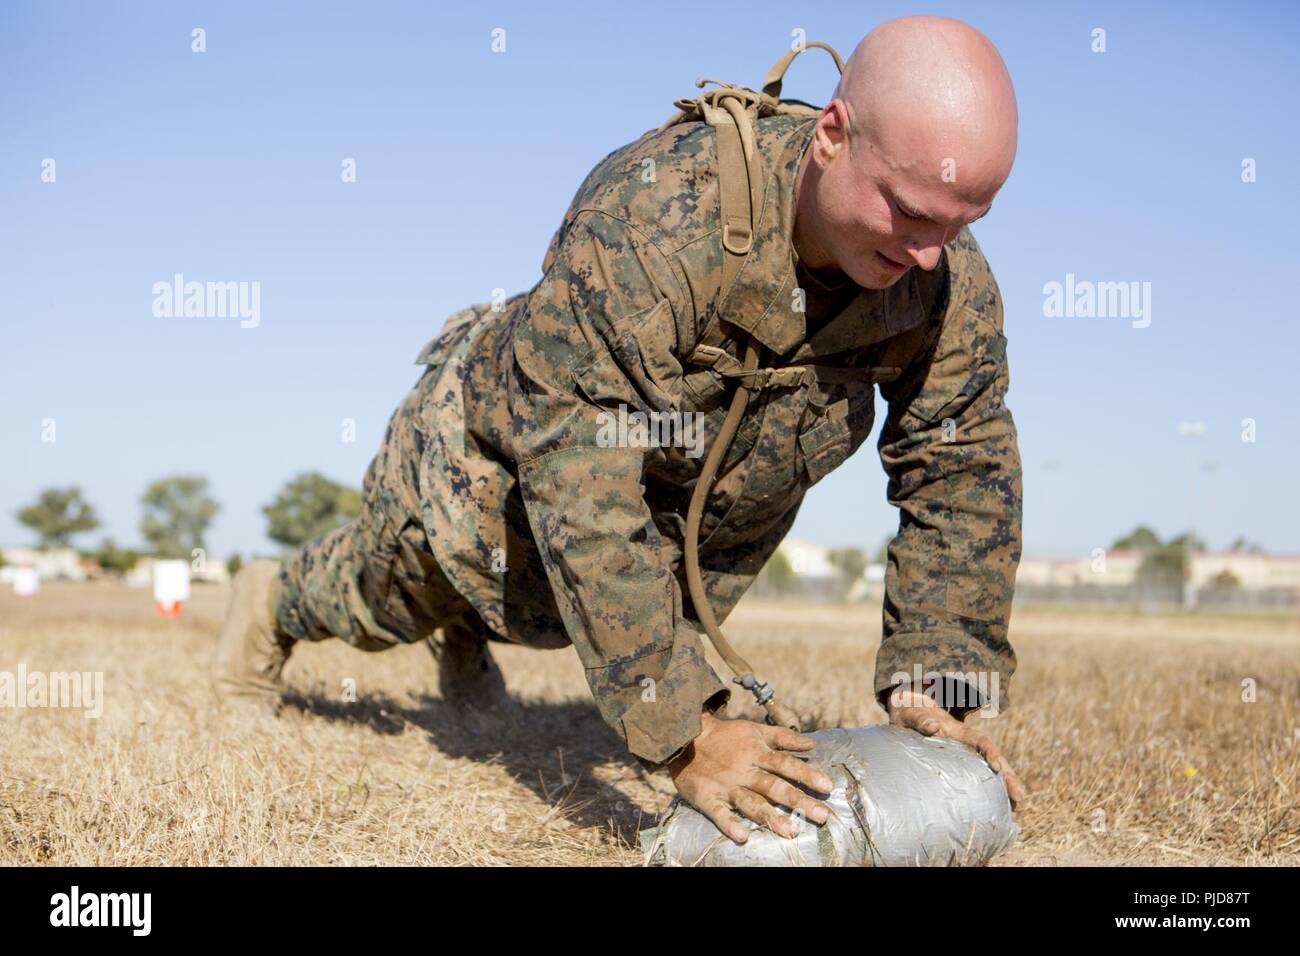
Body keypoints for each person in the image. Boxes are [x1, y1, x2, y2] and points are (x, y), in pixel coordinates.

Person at [214, 14, 1027, 846]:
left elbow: (960, 466)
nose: (930, 254)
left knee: (553, 613)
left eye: (962, 223)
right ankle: (273, 602)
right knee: (393, 595)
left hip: (666, 500)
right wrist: (688, 731)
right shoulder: (654, 215)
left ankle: (467, 625)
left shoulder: (943, 282)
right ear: (832, 133)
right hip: (487, 451)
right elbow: (578, 468)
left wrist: (937, 677)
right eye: (907, 211)